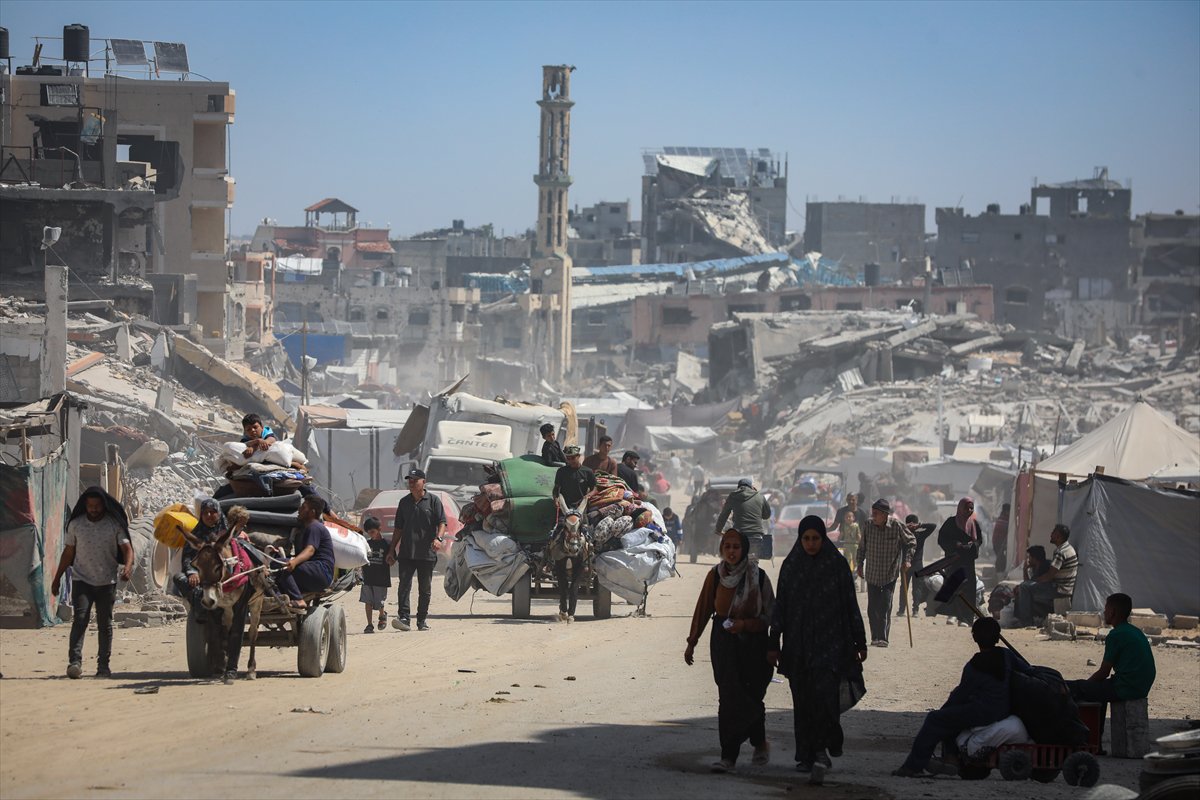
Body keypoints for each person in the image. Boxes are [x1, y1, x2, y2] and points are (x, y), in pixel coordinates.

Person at [769, 515, 867, 778]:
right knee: (803, 703)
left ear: (823, 539)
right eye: (806, 539)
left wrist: (860, 641)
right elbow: (781, 607)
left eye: (815, 539)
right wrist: (773, 642)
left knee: (825, 700)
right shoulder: (791, 566)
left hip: (831, 644)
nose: (811, 544)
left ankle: (822, 748)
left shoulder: (836, 565)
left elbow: (850, 605)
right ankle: (806, 754)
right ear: (800, 540)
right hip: (798, 646)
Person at [685, 529, 775, 773]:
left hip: (754, 644)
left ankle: (759, 742)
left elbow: (771, 616)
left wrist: (746, 625)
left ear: (744, 549)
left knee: (750, 696)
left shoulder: (759, 577)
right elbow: (703, 608)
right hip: (724, 642)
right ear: (722, 549)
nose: (732, 551)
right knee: (728, 697)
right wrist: (692, 641)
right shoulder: (715, 576)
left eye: (736, 547)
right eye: (728, 547)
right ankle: (729, 756)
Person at [893, 618, 1027, 777]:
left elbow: (959, 696)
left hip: (983, 712)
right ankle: (951, 758)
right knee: (953, 715)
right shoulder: (1006, 655)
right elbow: (1028, 669)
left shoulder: (974, 666)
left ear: (974, 638)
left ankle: (913, 767)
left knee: (937, 719)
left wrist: (943, 710)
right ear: (997, 638)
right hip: (1002, 709)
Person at [51, 487, 133, 679]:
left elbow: (127, 548)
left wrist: (127, 567)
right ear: (85, 506)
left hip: (107, 582)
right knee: (80, 620)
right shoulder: (76, 525)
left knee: (105, 624)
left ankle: (103, 667)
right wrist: (57, 579)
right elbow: (68, 553)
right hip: (82, 580)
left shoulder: (114, 525)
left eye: (97, 506)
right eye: (90, 506)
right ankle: (75, 662)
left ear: (103, 505)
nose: (94, 509)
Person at [1067, 592, 1156, 743]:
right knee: (1098, 693)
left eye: (1106, 608)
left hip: (1126, 686)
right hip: (1140, 685)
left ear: (1113, 612)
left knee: (1075, 688)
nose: (1104, 612)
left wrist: (1085, 685)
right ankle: (1096, 741)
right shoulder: (1134, 631)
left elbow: (1103, 672)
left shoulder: (1116, 635)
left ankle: (1085, 739)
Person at [386, 468, 446, 632]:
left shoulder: (433, 501)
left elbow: (442, 522)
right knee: (404, 585)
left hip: (426, 553)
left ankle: (422, 619)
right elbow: (398, 528)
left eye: (414, 480)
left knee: (424, 589)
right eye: (409, 480)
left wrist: (438, 538)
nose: (411, 483)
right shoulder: (404, 502)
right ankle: (404, 618)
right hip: (406, 552)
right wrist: (391, 550)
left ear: (423, 482)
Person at [857, 499, 916, 647]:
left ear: (884, 515)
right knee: (872, 608)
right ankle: (875, 637)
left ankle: (883, 638)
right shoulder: (868, 525)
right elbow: (862, 547)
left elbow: (911, 541)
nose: (873, 516)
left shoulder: (896, 526)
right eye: (873, 513)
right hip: (872, 573)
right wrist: (859, 564)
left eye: (876, 513)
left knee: (884, 605)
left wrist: (907, 560)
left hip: (889, 573)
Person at [275, 495, 335, 609]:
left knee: (280, 564)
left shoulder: (315, 527)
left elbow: (310, 550)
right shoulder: (304, 530)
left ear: (312, 512)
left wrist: (294, 562)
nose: (299, 510)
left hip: (321, 571)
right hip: (313, 572)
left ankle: (299, 600)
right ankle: (278, 600)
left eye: (303, 507)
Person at [1013, 523, 1077, 626]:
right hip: (1062, 587)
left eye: (1053, 533)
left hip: (1060, 589)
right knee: (1026, 587)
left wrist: (1033, 582)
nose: (1051, 535)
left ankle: (1025, 621)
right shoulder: (1067, 548)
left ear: (1058, 536)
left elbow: (1049, 575)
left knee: (1025, 587)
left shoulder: (1061, 552)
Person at [937, 498, 982, 626]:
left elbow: (979, 540)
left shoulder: (974, 524)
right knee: (953, 587)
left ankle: (966, 618)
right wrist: (955, 545)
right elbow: (942, 539)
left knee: (968, 589)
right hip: (954, 561)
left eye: (971, 508)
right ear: (960, 508)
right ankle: (952, 615)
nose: (969, 510)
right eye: (966, 508)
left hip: (968, 562)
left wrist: (972, 545)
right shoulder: (951, 523)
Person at [898, 513, 937, 616]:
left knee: (916, 588)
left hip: (915, 566)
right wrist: (909, 526)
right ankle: (904, 610)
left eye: (913, 524)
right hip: (907, 565)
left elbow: (933, 526)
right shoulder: (904, 535)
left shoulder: (918, 535)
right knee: (906, 588)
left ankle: (914, 610)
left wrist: (919, 525)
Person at [359, 516, 390, 634]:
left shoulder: (387, 544)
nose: (371, 534)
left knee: (379, 602)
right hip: (367, 577)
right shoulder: (366, 544)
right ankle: (369, 624)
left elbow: (392, 559)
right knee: (368, 602)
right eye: (368, 532)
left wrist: (390, 560)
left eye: (372, 531)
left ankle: (382, 616)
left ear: (379, 529)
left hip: (381, 578)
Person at [837, 509, 862, 578]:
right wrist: (838, 540)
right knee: (848, 558)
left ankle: (854, 571)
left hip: (854, 545)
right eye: (846, 517)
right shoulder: (844, 526)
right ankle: (848, 570)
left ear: (853, 518)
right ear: (844, 519)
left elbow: (858, 534)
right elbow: (841, 534)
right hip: (847, 545)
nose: (848, 518)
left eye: (850, 517)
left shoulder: (856, 525)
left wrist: (860, 542)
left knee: (855, 559)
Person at [992, 503, 1011, 575]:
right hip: (998, 542)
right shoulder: (1004, 519)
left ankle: (999, 574)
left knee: (1000, 558)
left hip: (997, 542)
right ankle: (999, 574)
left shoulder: (1001, 518)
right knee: (1001, 559)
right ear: (1007, 511)